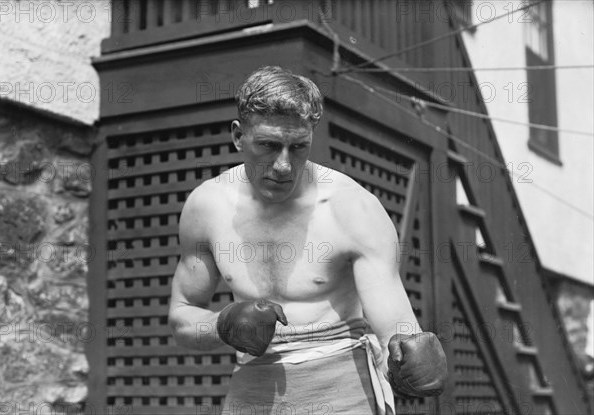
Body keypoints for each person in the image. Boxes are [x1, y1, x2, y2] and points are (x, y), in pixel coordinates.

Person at [169, 66, 447, 414]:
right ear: (239, 136)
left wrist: (410, 349)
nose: (284, 165)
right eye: (268, 146)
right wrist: (222, 325)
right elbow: (181, 318)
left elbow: (394, 320)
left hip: (343, 385)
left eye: (298, 147)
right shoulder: (206, 207)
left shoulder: (353, 208)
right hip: (254, 386)